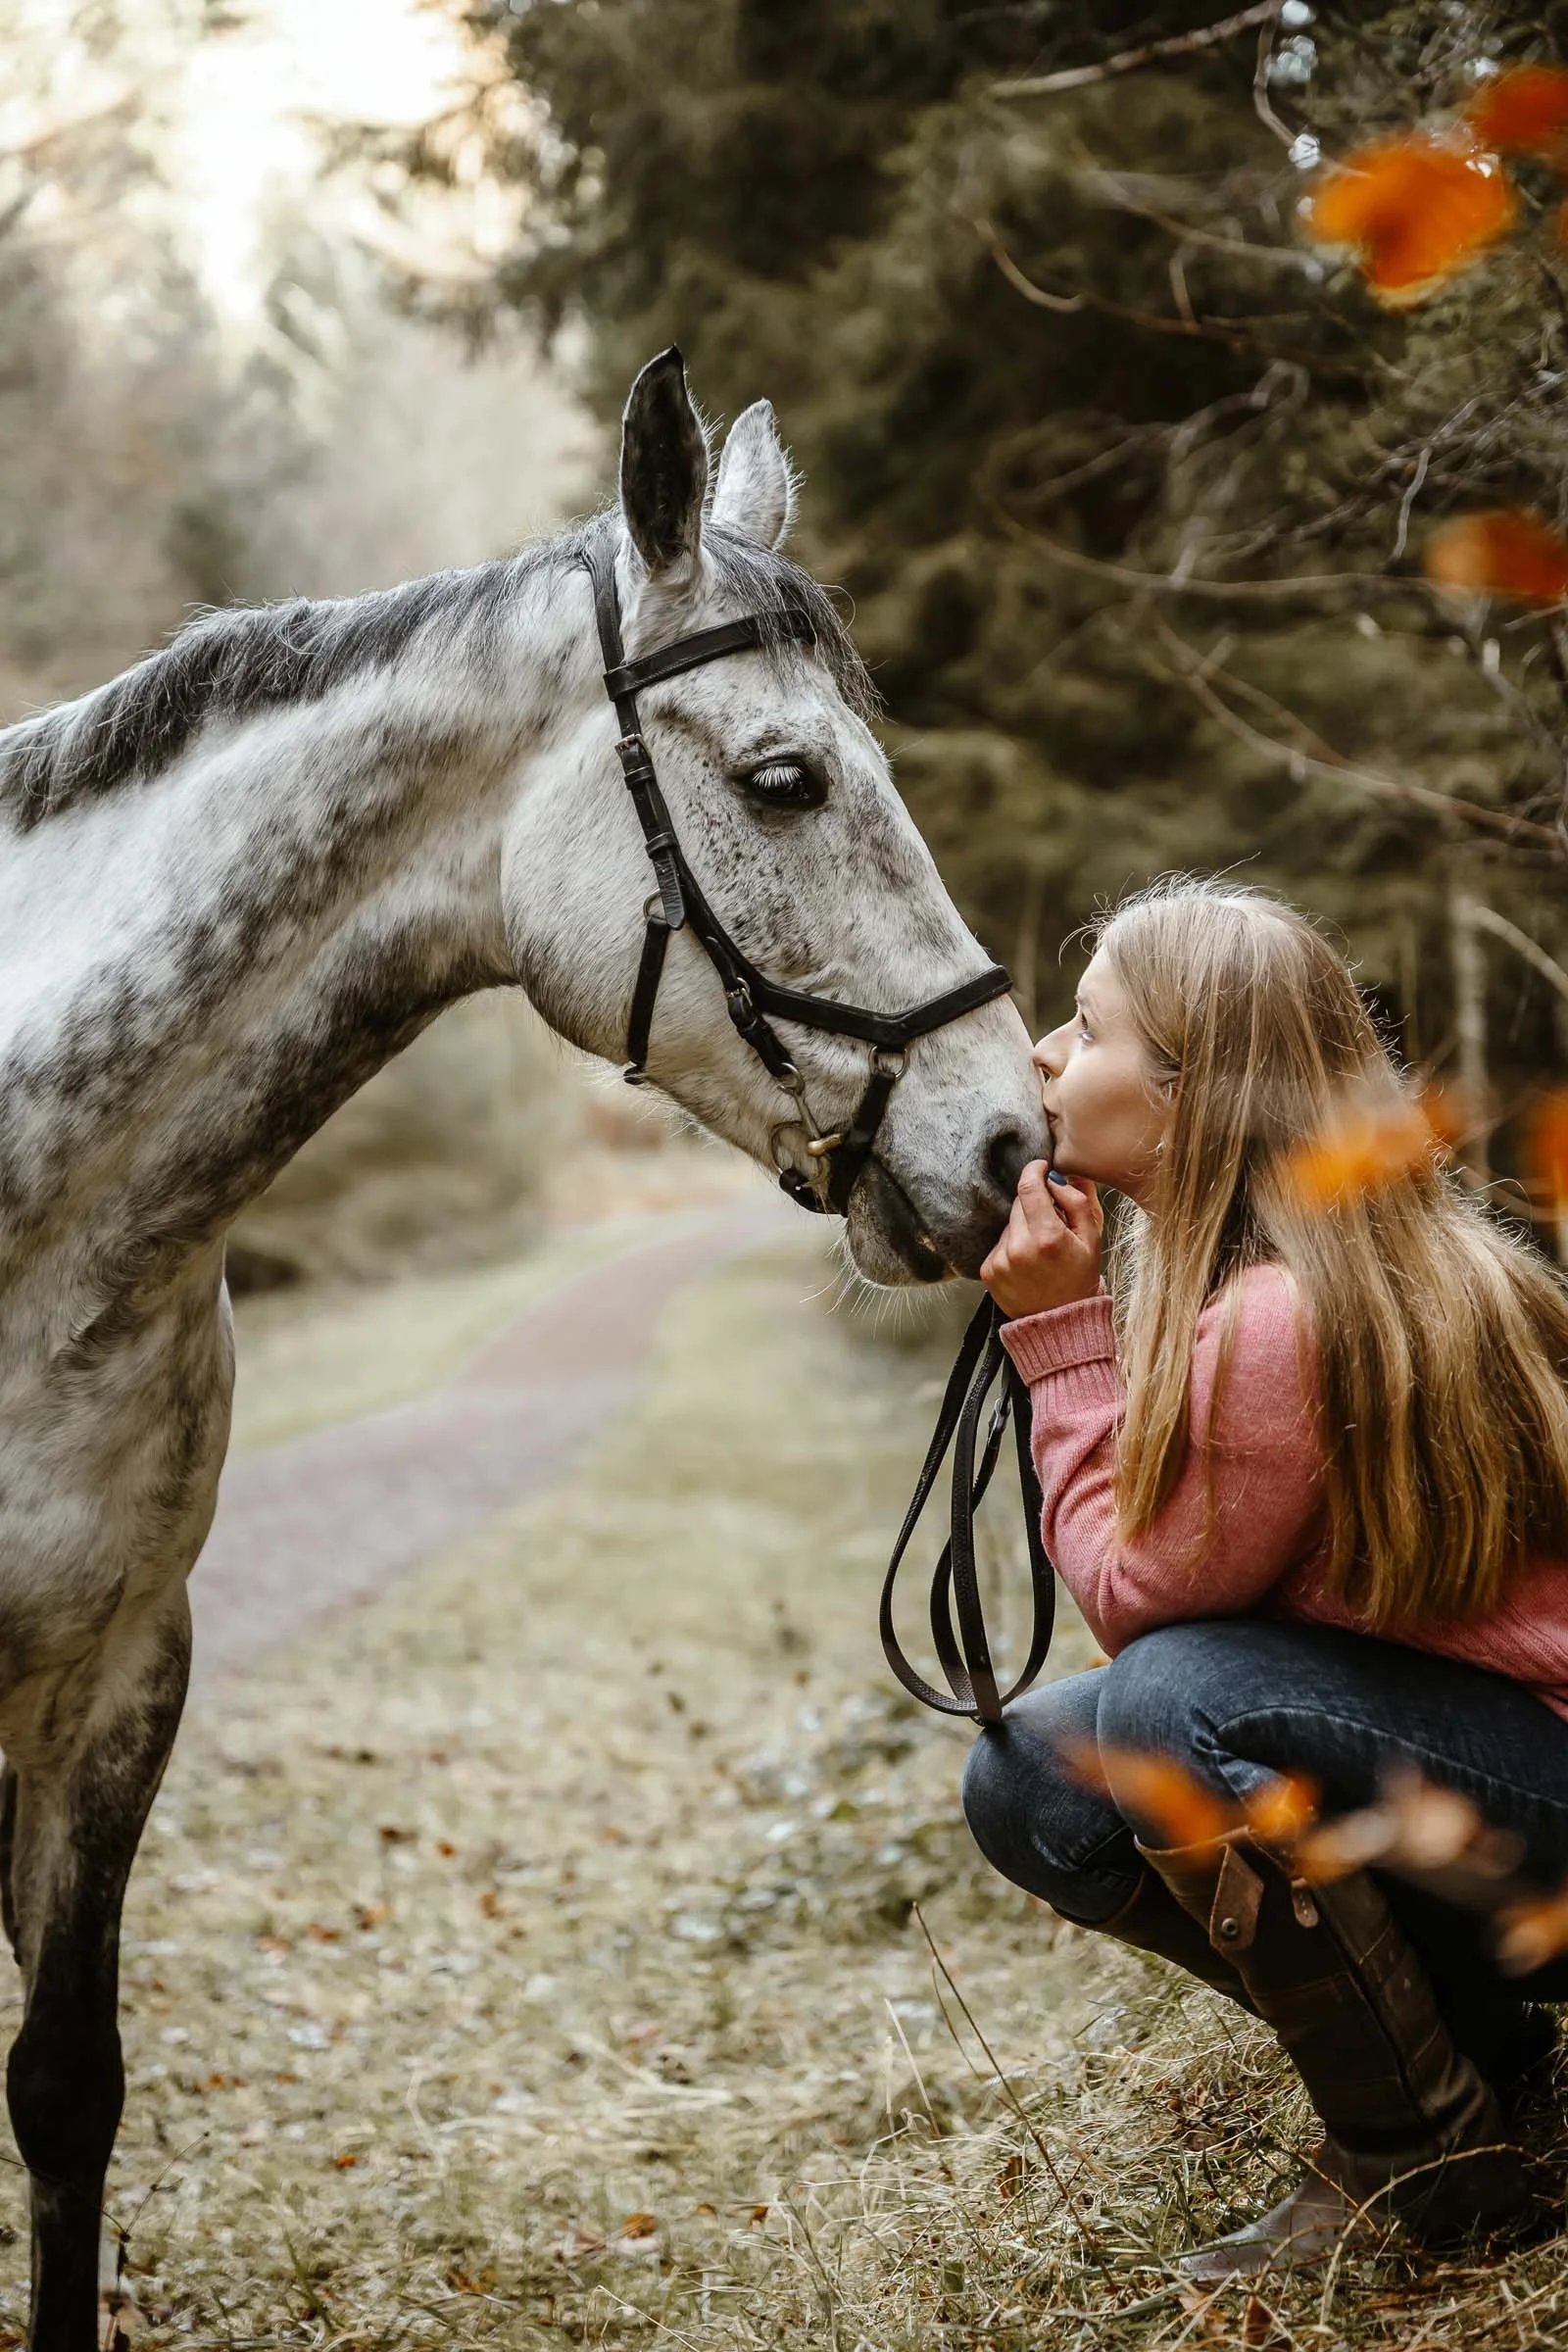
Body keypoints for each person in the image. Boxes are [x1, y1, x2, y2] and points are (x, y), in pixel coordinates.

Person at [962, 873, 1568, 2278]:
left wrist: (1058, 1339)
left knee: (1175, 1701)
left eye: (1087, 1027)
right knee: (1036, 1776)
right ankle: (1472, 2052)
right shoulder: (1311, 1273)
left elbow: (1138, 1601)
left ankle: (1427, 2164)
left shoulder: (1279, 1317)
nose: (1045, 1053)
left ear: (1188, 1095)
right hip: (1506, 1784)